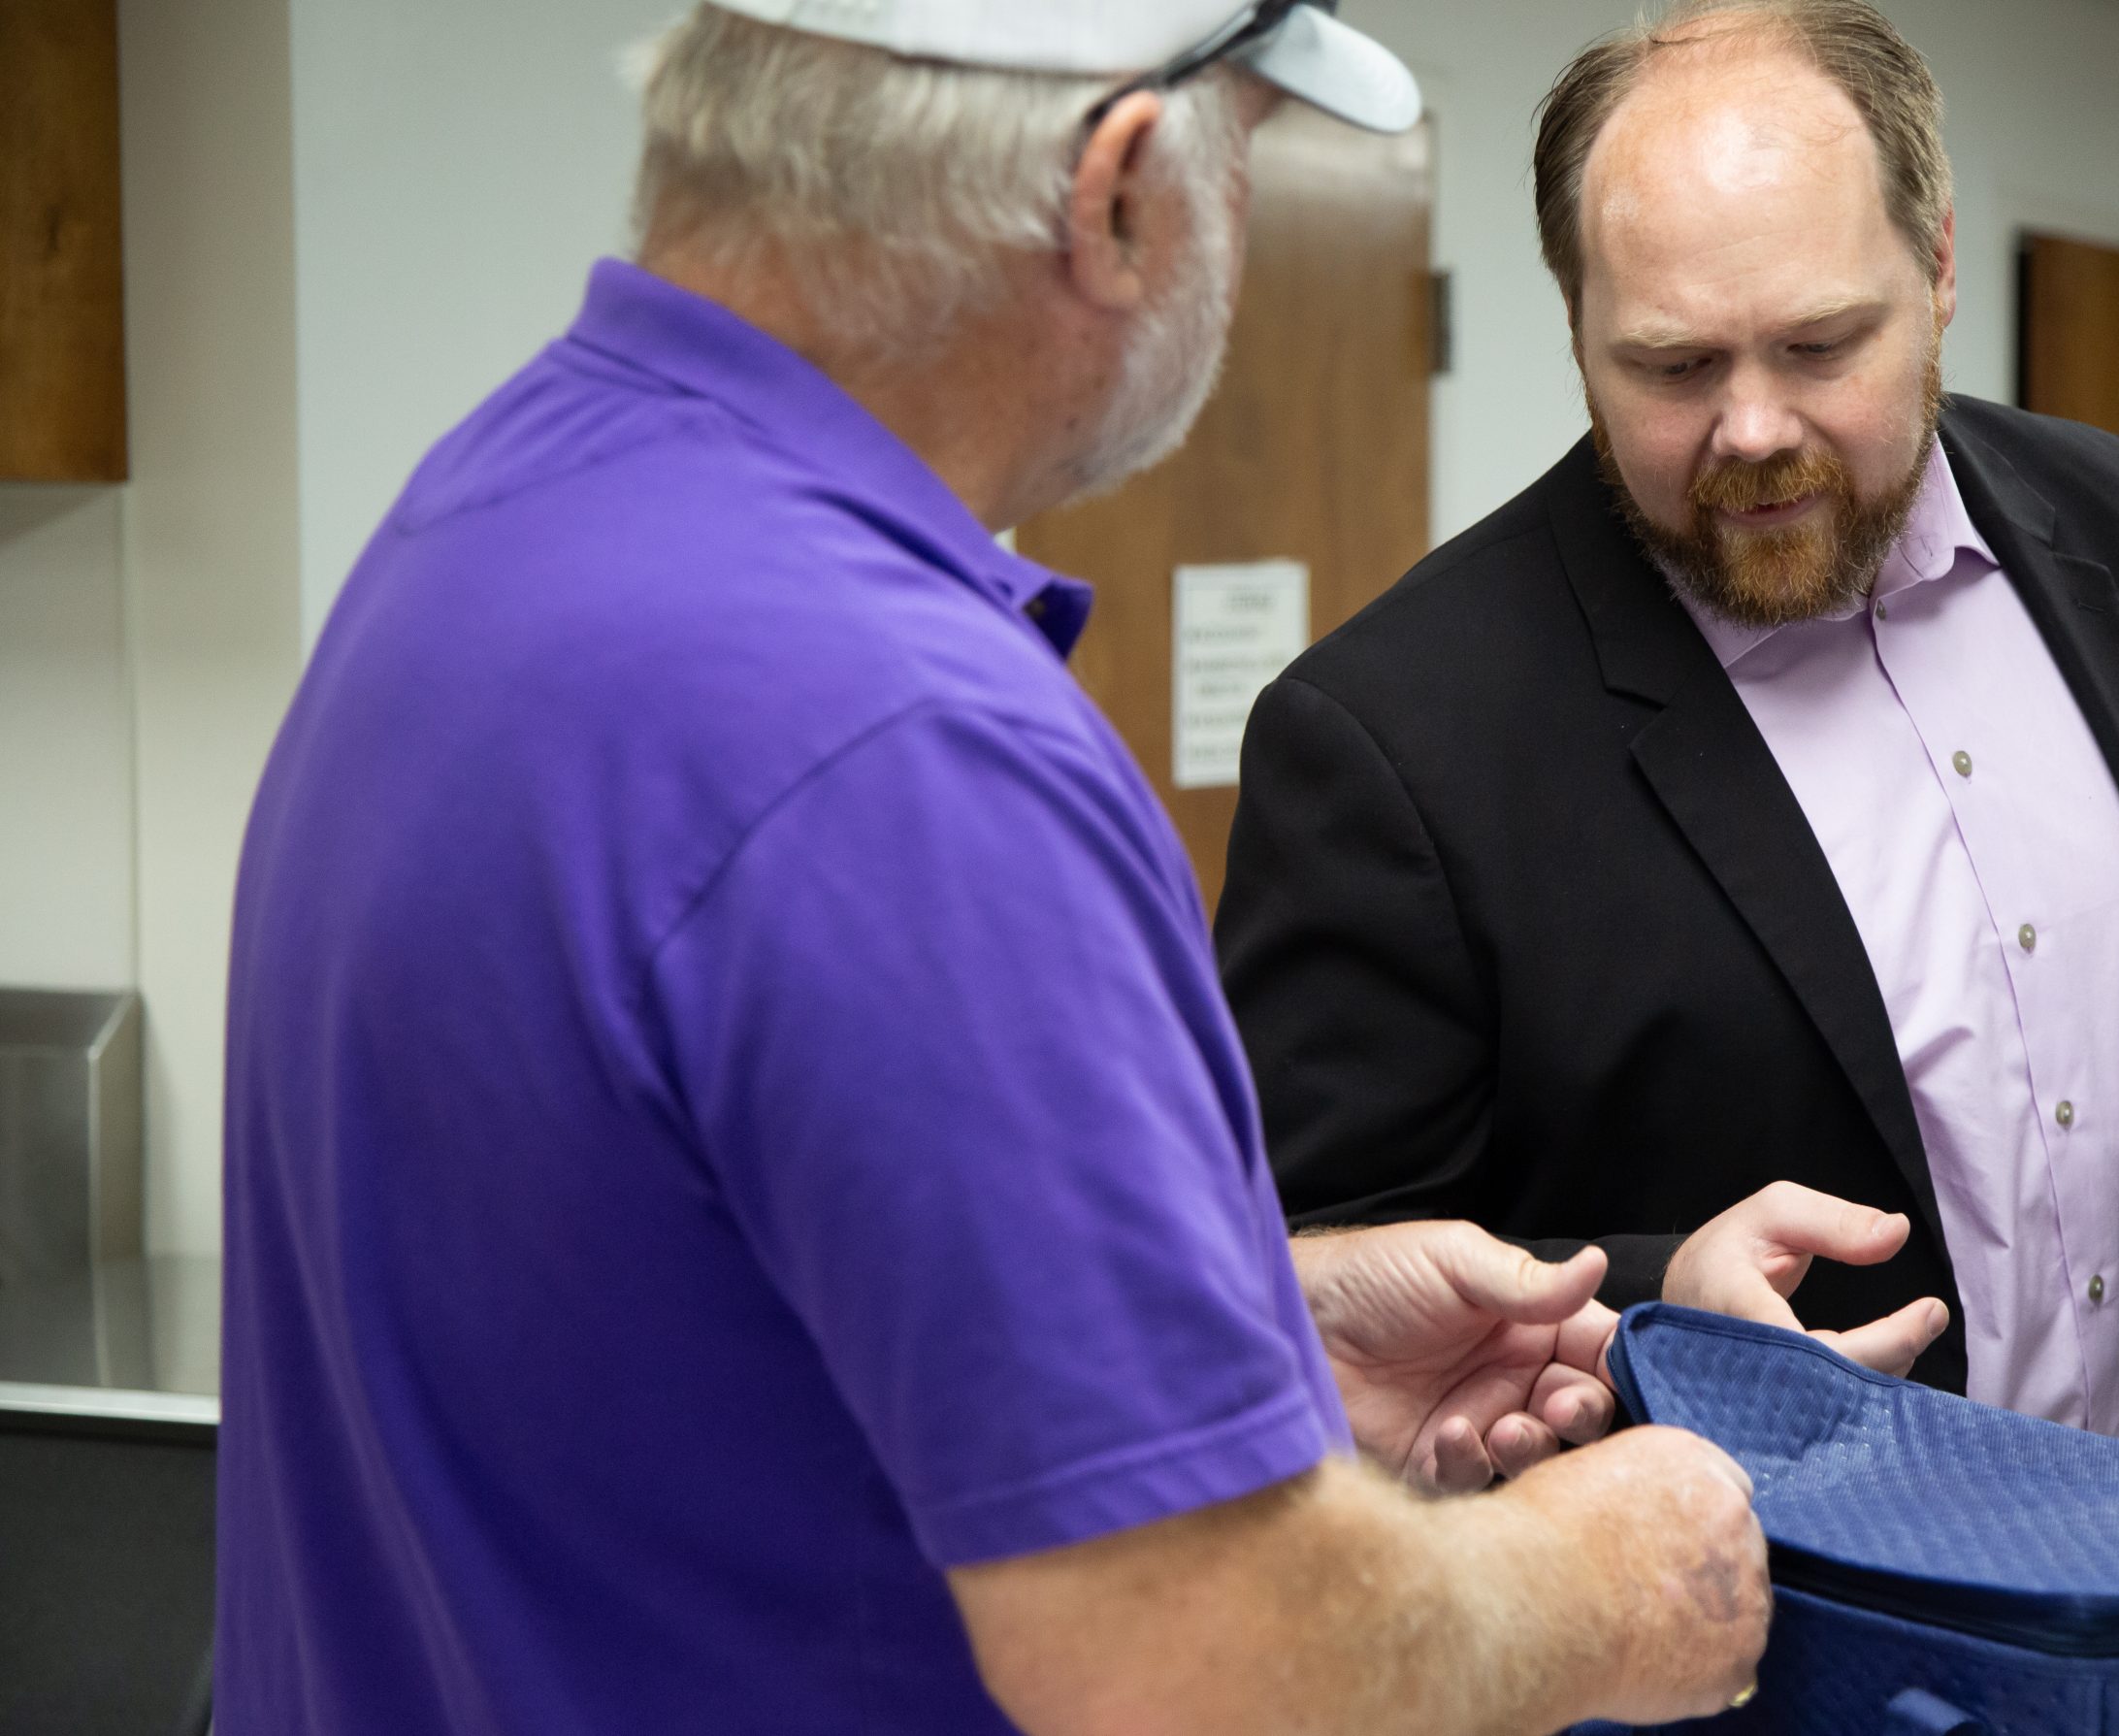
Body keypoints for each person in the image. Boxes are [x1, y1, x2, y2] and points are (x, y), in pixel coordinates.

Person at [216, 5, 1773, 1734]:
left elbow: (669, 1323)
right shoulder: (904, 744)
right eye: (1242, 156)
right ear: (1114, 192)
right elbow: (1207, 1661)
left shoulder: (491, 522)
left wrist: (1246, 1343)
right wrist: (1602, 1578)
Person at [1217, 0, 2119, 1473]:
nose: (1751, 430)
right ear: (1576, 324)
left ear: (1933, 269)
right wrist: (1664, 1298)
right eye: (1673, 367)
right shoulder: (1392, 739)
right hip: (1777, 1638)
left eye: (1819, 346)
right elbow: (1297, 1289)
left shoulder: (2117, 514)